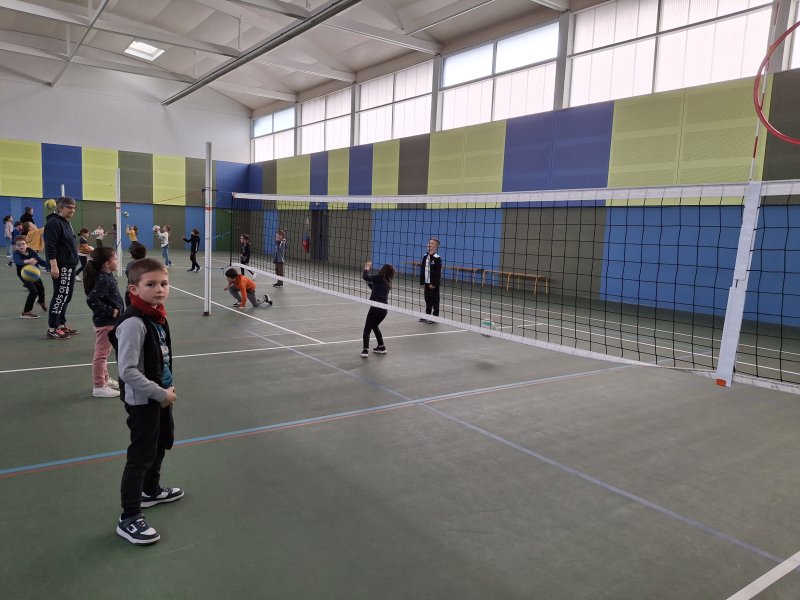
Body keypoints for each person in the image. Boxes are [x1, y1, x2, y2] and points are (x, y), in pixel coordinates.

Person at [109, 258, 182, 545]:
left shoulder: (156, 315)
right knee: (140, 456)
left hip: (161, 395)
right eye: (151, 284)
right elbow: (127, 371)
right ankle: (129, 517)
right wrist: (160, 394)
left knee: (161, 442)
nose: (160, 289)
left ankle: (151, 491)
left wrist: (166, 389)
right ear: (134, 289)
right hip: (144, 401)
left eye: (164, 283)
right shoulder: (133, 323)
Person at [84, 247, 124, 398]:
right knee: (101, 355)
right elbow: (92, 299)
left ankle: (105, 379)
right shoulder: (104, 279)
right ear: (107, 263)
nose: (117, 261)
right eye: (115, 259)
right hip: (106, 322)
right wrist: (110, 310)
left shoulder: (106, 276)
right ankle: (99, 386)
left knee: (105, 353)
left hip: (110, 322)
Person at [43, 196, 80, 340]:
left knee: (66, 296)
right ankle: (52, 328)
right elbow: (50, 246)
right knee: (60, 296)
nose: (73, 210)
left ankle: (61, 324)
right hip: (62, 266)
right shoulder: (54, 223)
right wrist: (54, 266)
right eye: (69, 207)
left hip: (70, 265)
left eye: (74, 207)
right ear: (60, 208)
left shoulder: (65, 222)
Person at [361, 261, 395, 358]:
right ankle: (382, 347)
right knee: (375, 326)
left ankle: (365, 350)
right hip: (384, 310)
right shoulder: (388, 282)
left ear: (383, 270)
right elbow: (375, 288)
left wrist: (366, 268)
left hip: (375, 308)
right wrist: (368, 283)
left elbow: (365, 276)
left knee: (367, 329)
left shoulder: (378, 277)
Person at [12, 236, 48, 319]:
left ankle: (41, 301)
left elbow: (39, 260)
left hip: (34, 273)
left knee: (41, 288)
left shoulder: (31, 251)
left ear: (27, 244)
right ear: (16, 246)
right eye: (18, 245)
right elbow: (18, 262)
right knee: (33, 291)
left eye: (23, 244)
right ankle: (26, 312)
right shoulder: (16, 254)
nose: (21, 246)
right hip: (24, 274)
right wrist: (28, 261)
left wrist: (50, 265)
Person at [419, 238, 442, 324]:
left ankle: (435, 317)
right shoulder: (425, 256)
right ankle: (427, 315)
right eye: (429, 243)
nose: (429, 244)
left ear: (436, 247)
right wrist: (422, 282)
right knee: (427, 299)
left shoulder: (437, 258)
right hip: (426, 282)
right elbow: (422, 269)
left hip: (433, 284)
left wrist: (434, 284)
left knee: (435, 300)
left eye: (432, 243)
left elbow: (438, 273)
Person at [124, 242, 147, 307]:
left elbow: (128, 275)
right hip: (144, 292)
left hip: (132, 292)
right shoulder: (148, 264)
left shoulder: (130, 265)